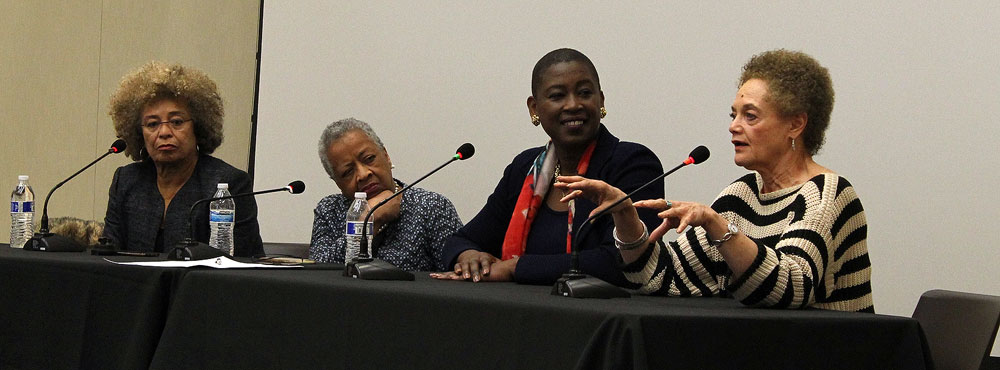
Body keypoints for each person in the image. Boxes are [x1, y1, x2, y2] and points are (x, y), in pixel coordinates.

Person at [558, 49, 873, 312]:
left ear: (795, 124)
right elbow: (659, 277)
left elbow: (789, 289)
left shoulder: (826, 194)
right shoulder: (741, 196)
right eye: (733, 115)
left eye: (750, 116)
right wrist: (625, 215)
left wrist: (717, 225)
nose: (734, 127)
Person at [431, 48, 664, 285]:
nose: (573, 105)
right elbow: (461, 240)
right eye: (557, 96)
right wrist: (469, 256)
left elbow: (623, 261)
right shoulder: (525, 168)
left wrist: (516, 268)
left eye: (584, 93)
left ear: (601, 100)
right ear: (535, 108)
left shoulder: (633, 163)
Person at [103, 61, 263, 257]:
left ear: (198, 126)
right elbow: (108, 258)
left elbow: (243, 263)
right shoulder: (126, 181)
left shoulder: (229, 184)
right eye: (152, 124)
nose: (164, 132)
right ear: (138, 133)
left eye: (177, 122)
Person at [309, 118, 463, 271]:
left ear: (386, 156)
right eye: (348, 172)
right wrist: (370, 220)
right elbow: (318, 270)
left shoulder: (431, 206)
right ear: (337, 182)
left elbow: (454, 275)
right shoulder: (329, 209)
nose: (363, 174)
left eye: (369, 159)